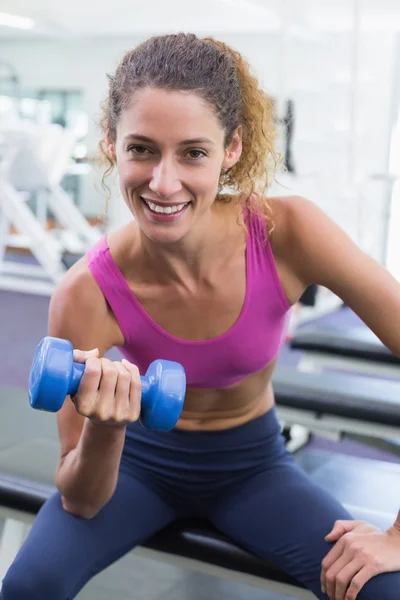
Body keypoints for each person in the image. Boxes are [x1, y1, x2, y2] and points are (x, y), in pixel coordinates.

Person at [1, 33, 400, 600]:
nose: (164, 183)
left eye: (193, 152)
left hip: (256, 468)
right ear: (111, 144)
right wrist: (107, 427)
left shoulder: (287, 234)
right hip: (135, 469)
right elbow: (83, 497)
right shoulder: (86, 292)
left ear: (231, 149)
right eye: (142, 148)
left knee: (385, 590)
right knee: (28, 587)